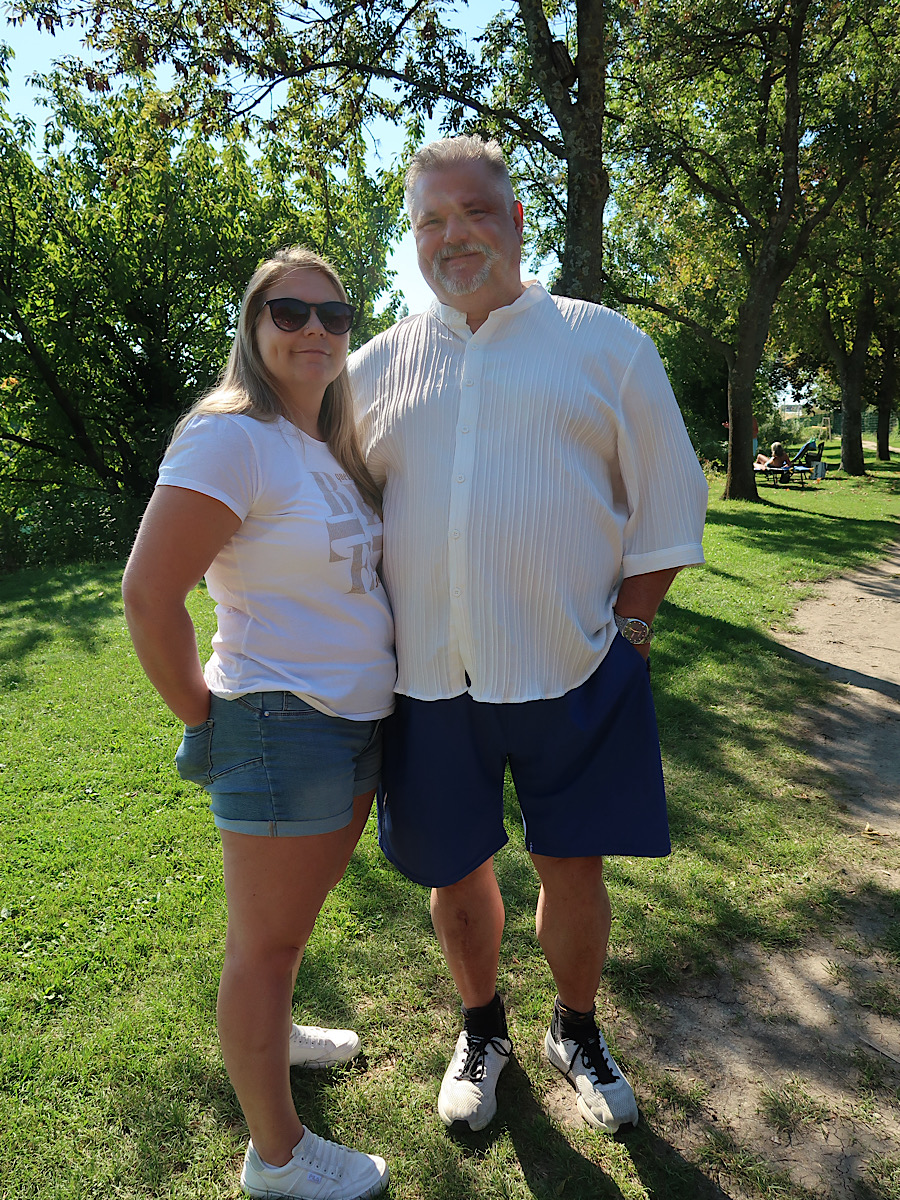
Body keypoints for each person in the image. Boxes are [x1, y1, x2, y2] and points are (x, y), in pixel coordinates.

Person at [349, 137, 708, 1136]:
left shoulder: (607, 346)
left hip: (575, 667)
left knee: (574, 871)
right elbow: (341, 510)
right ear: (413, 237)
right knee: (454, 874)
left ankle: (576, 1030)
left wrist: (630, 632)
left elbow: (671, 501)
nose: (453, 235)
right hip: (428, 682)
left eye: (474, 211)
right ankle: (483, 1030)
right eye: (430, 220)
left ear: (515, 220)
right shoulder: (373, 369)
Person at [122, 247, 392, 1200]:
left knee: (287, 933)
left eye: (334, 313)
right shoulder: (229, 435)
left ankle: (279, 1033)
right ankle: (276, 1158)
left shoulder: (325, 442)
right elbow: (149, 594)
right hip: (280, 723)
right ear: (253, 323)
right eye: (290, 311)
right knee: (262, 949)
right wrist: (205, 715)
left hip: (351, 724)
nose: (315, 328)